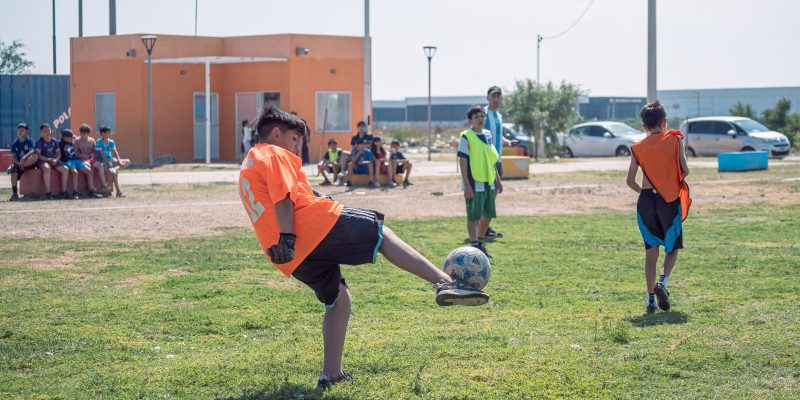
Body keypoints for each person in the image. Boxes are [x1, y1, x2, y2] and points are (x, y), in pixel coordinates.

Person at [238, 105, 488, 390]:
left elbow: (286, 196)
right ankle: (445, 283)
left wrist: (286, 239)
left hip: (290, 255)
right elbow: (283, 200)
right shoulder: (272, 152)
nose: (298, 145)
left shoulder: (249, 162)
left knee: (339, 299)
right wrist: (288, 236)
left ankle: (331, 374)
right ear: (276, 133)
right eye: (295, 138)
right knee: (381, 233)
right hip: (309, 229)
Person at [626, 100, 692, 314]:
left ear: (644, 126)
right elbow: (685, 169)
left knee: (650, 251)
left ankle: (650, 300)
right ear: (664, 122)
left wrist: (645, 193)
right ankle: (662, 282)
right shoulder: (674, 140)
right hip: (668, 200)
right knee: (671, 247)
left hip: (645, 201)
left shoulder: (637, 148)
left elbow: (630, 181)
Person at [458, 105, 502, 258]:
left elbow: (491, 159)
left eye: (482, 116)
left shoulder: (488, 134)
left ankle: (480, 242)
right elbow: (462, 161)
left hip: (489, 182)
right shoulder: (466, 136)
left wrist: (498, 179)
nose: (480, 119)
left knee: (488, 214)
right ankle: (474, 245)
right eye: (476, 117)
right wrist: (467, 185)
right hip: (473, 182)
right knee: (473, 216)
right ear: (470, 120)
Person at [483, 86, 517, 239]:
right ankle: (480, 229)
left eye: (499, 96)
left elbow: (498, 136)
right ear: (488, 97)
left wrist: (508, 142)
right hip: (486, 161)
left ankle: (485, 227)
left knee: (492, 195)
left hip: (498, 160)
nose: (496, 99)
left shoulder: (499, 116)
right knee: (485, 195)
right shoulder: (482, 114)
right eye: (493, 96)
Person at [59, 129, 102, 199]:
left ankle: (92, 191)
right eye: (70, 137)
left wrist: (74, 137)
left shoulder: (73, 142)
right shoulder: (60, 143)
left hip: (77, 160)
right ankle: (75, 193)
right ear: (65, 137)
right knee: (75, 172)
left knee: (89, 171)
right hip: (68, 161)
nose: (72, 138)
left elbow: (76, 138)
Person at [35, 123, 68, 199]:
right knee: (47, 168)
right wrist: (48, 159)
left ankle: (63, 192)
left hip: (54, 160)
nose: (48, 132)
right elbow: (38, 156)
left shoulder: (54, 141)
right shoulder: (39, 142)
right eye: (45, 131)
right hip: (43, 161)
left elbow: (58, 153)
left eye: (49, 130)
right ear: (41, 132)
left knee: (65, 169)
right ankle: (48, 193)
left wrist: (56, 159)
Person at [7, 123, 38, 201]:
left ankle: (18, 166)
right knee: (13, 172)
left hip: (28, 163)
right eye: (19, 130)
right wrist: (17, 163)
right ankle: (14, 194)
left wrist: (24, 158)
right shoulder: (15, 143)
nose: (20, 132)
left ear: (26, 132)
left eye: (22, 130)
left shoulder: (30, 140)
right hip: (19, 165)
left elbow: (32, 151)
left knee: (35, 156)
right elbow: (13, 157)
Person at [96, 126, 130, 198]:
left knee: (127, 161)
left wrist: (119, 161)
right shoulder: (98, 142)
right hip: (103, 161)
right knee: (115, 173)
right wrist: (109, 164)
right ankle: (118, 191)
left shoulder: (111, 142)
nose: (110, 134)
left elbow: (115, 152)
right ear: (102, 133)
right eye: (108, 132)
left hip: (111, 160)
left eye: (110, 132)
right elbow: (102, 155)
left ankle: (114, 169)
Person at [74, 124, 103, 197]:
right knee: (89, 169)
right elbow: (75, 153)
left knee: (100, 166)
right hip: (82, 160)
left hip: (91, 159)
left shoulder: (92, 140)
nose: (82, 135)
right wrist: (84, 156)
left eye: (84, 133)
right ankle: (92, 190)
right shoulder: (77, 141)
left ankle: (104, 184)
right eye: (81, 133)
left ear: (88, 133)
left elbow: (94, 151)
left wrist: (93, 156)